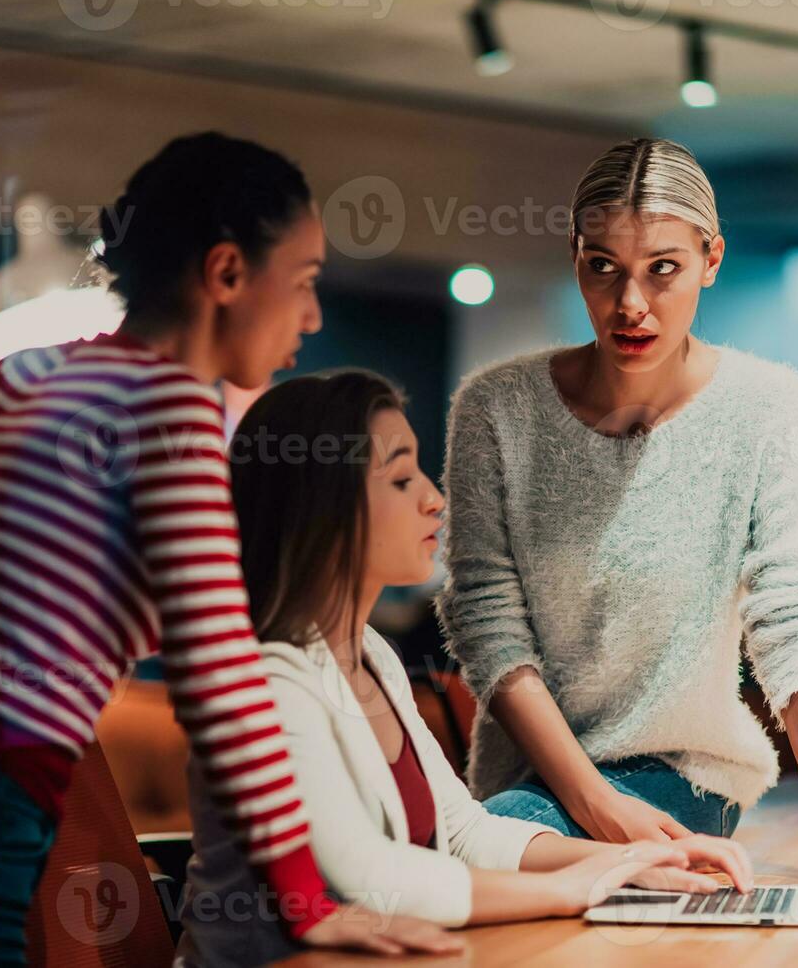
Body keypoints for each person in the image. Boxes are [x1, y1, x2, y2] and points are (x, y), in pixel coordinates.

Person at [0, 132, 460, 966]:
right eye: (300, 283)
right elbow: (220, 676)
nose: (314, 315)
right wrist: (306, 906)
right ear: (226, 275)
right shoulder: (171, 414)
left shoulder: (25, 374)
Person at [435, 137, 798, 886]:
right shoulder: (495, 409)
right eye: (604, 269)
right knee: (469, 859)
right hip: (529, 785)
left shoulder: (770, 408)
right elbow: (488, 624)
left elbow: (797, 613)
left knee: (503, 874)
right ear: (575, 256)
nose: (630, 304)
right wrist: (592, 800)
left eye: (663, 270)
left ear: (711, 259)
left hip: (683, 773)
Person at [180, 370, 755, 966]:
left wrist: (626, 862)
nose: (434, 498)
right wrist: (568, 889)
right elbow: (366, 874)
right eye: (401, 479)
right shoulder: (269, 680)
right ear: (324, 508)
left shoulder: (372, 654)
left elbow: (462, 834)